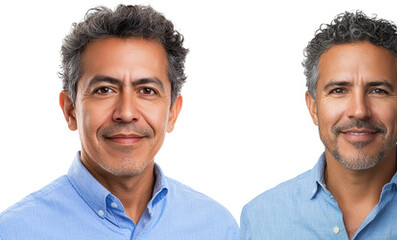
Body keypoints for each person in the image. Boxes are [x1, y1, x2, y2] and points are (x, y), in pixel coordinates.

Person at [240, 11, 397, 239]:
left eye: (378, 90)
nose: (359, 110)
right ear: (313, 107)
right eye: (339, 90)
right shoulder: (260, 221)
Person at [0, 4, 239, 239]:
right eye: (104, 90)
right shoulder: (13, 232)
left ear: (172, 113)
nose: (126, 113)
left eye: (146, 90)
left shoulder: (218, 228)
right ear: (70, 110)